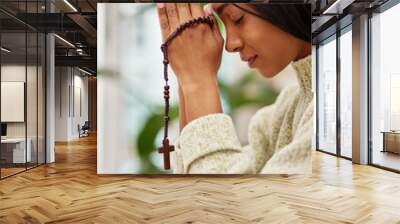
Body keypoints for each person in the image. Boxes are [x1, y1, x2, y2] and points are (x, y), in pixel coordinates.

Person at [156, 3, 313, 174]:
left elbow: (221, 198)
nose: (230, 44)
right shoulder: (280, 115)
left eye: (237, 19)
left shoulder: (335, 111)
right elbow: (195, 191)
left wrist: (198, 82)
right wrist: (188, 68)